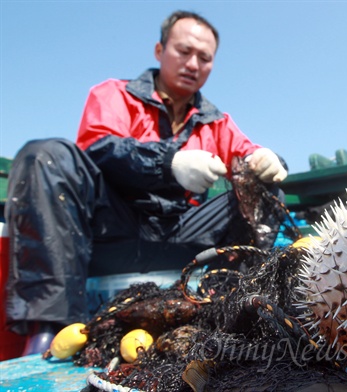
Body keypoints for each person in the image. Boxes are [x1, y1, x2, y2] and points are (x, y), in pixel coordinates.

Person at [5, 11, 288, 356]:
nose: (193, 63)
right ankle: (50, 331)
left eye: (204, 57)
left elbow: (250, 156)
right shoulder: (113, 94)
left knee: (266, 191)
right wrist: (168, 164)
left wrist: (268, 161)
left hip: (181, 236)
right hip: (112, 232)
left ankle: (233, 311)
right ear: (159, 50)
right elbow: (99, 150)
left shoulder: (219, 124)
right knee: (45, 155)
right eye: (184, 51)